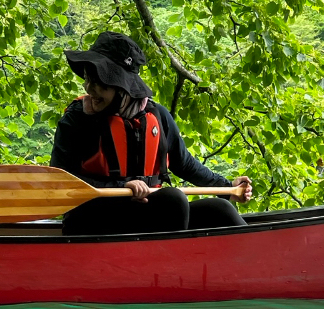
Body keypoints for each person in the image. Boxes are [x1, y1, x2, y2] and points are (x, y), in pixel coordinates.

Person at [49, 31, 252, 235]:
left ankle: (257, 261)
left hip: (146, 215)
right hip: (93, 219)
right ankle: (167, 265)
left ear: (121, 87)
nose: (89, 88)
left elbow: (185, 164)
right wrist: (122, 186)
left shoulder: (157, 115)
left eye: (98, 82)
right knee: (173, 199)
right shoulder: (77, 118)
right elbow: (60, 180)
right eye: (87, 79)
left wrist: (228, 188)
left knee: (220, 210)